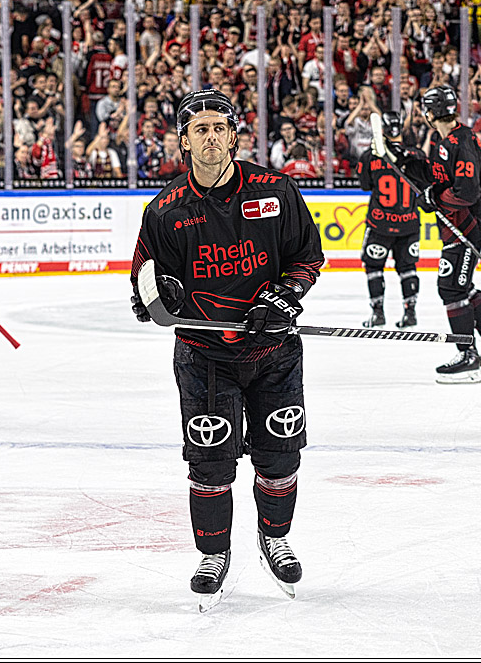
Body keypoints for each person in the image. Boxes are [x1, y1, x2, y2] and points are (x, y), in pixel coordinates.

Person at [128, 90, 324, 610]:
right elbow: (144, 280)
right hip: (204, 357)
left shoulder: (276, 192)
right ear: (184, 140)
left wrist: (282, 298)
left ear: (234, 135)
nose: (211, 137)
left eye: (219, 127)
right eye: (200, 129)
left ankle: (275, 537)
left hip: (272, 352)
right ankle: (213, 554)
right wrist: (155, 298)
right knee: (209, 463)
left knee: (280, 456)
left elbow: (308, 257)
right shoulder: (165, 211)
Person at [380, 87, 481, 383]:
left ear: (429, 113)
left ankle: (468, 355)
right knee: (460, 285)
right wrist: (406, 162)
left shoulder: (461, 142)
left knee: (451, 286)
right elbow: (437, 176)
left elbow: (466, 192)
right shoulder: (448, 140)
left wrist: (434, 200)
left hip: (469, 224)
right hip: (462, 222)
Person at [356, 111, 423, 329]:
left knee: (373, 266)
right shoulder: (416, 154)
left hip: (380, 223)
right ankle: (410, 313)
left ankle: (377, 313)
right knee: (408, 268)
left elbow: (365, 185)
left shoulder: (369, 156)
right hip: (409, 222)